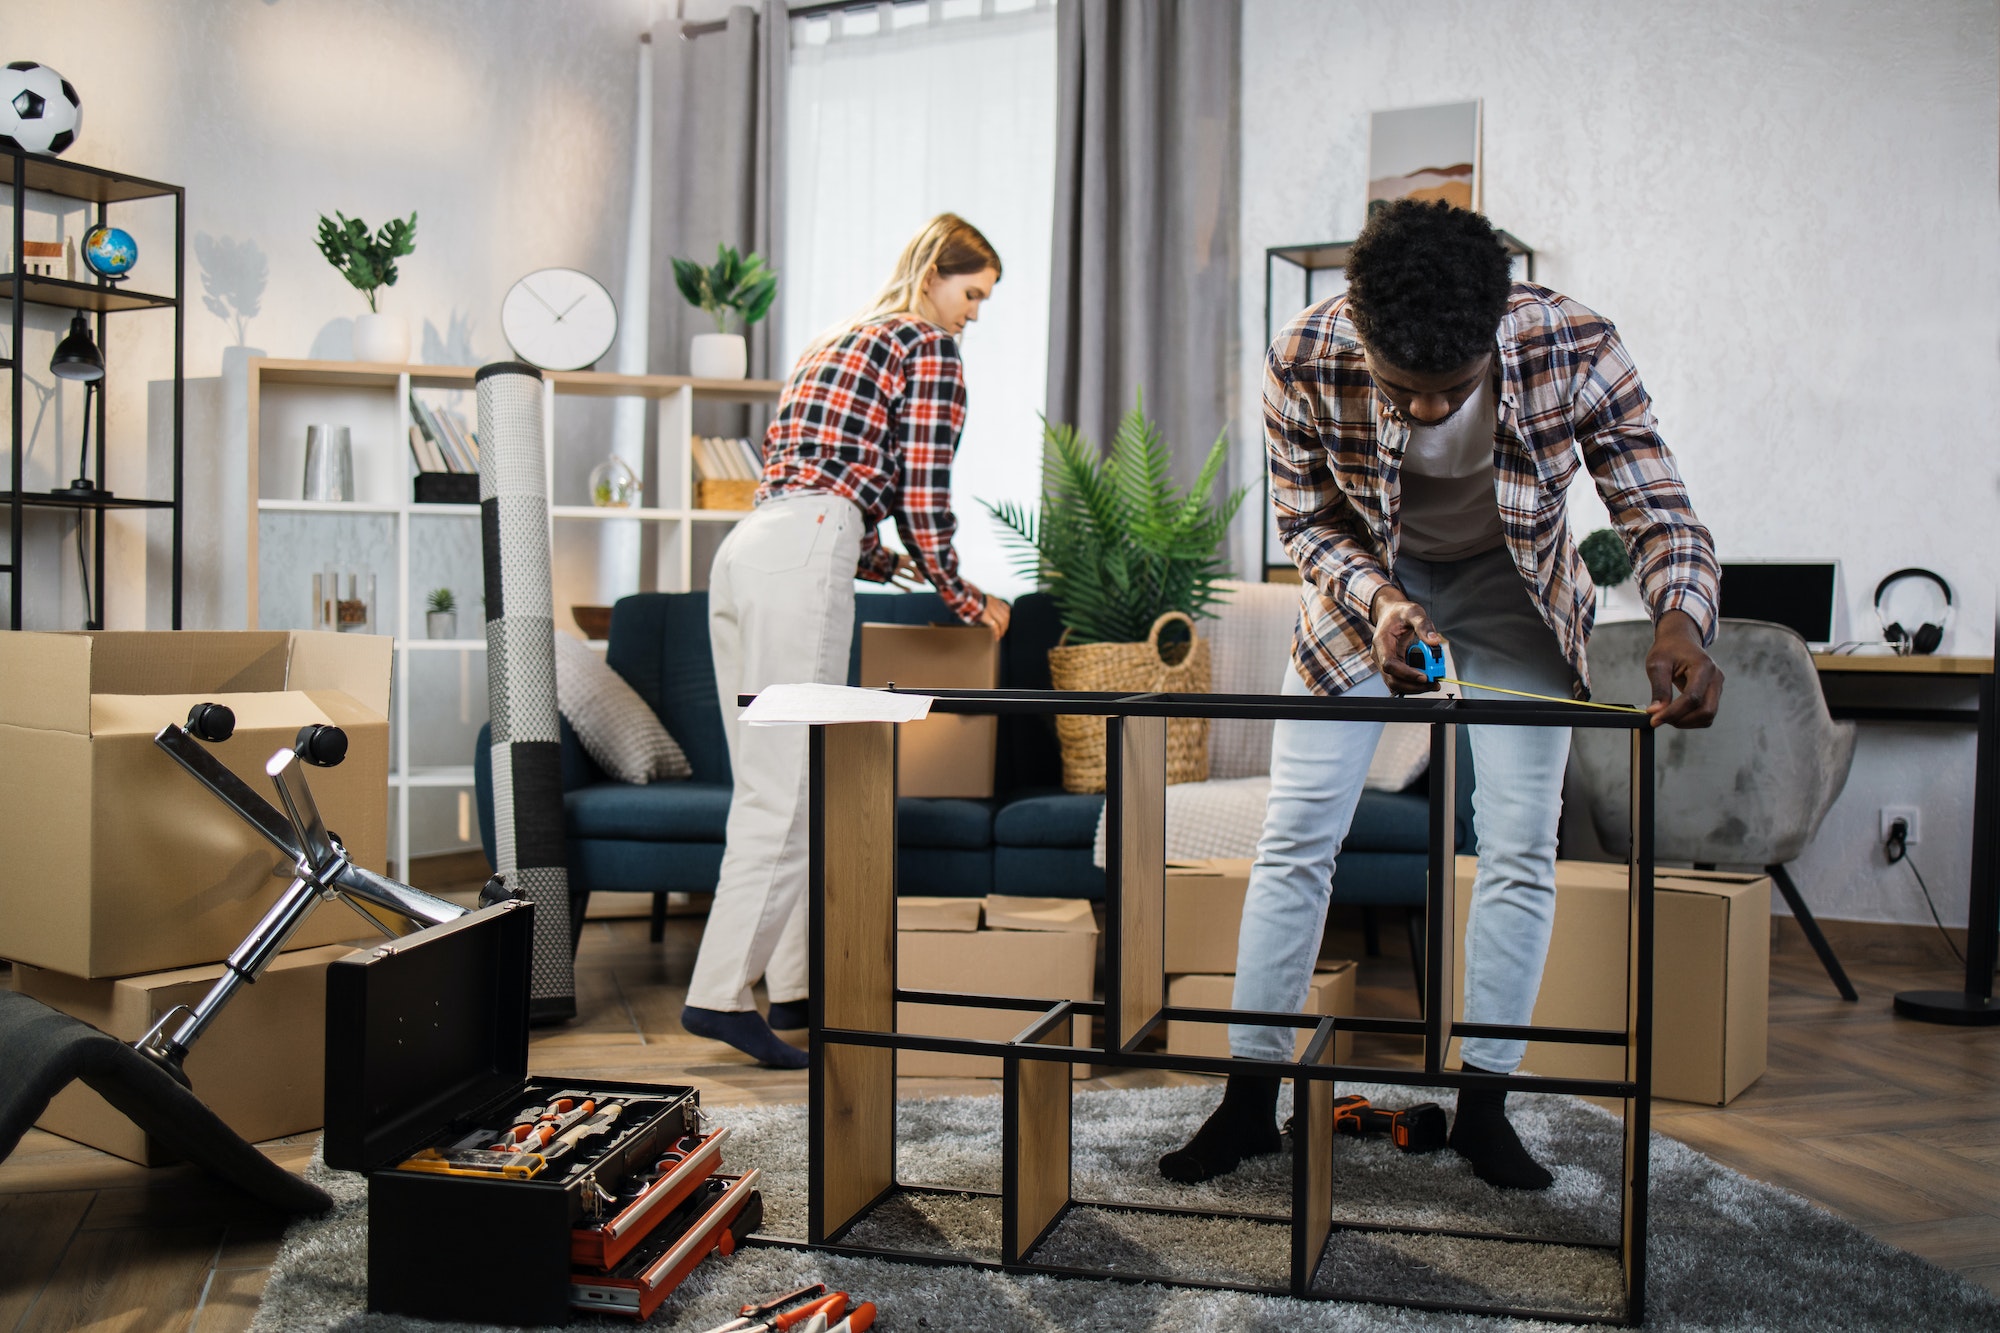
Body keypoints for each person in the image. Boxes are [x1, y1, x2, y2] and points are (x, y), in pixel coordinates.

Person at [1159, 200, 1723, 1189]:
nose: (1422, 410)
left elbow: (1653, 505)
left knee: (1515, 846)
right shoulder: (1303, 356)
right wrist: (1378, 604)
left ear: (1494, 335)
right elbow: (1306, 521)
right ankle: (1249, 1102)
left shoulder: (1575, 348)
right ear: (1360, 331)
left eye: (1447, 389)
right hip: (1364, 596)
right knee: (1293, 835)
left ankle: (1482, 1108)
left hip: (1516, 598)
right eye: (1397, 388)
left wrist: (1678, 617)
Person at [681, 213, 1012, 1068]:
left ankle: (791, 987)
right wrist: (959, 592)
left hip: (749, 550)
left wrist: (883, 560)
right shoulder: (928, 346)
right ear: (939, 271)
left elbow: (815, 474)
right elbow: (924, 487)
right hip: (805, 550)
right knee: (787, 789)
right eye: (972, 292)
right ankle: (720, 995)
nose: (972, 313)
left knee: (776, 781)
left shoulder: (836, 338)